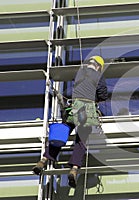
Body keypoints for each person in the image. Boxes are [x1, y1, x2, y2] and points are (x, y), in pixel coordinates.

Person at [32, 56, 108, 187]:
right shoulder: (98, 76)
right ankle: (74, 168)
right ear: (99, 67)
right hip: (87, 110)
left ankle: (44, 159)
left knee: (61, 135)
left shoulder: (80, 73)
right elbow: (103, 95)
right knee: (81, 141)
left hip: (73, 108)